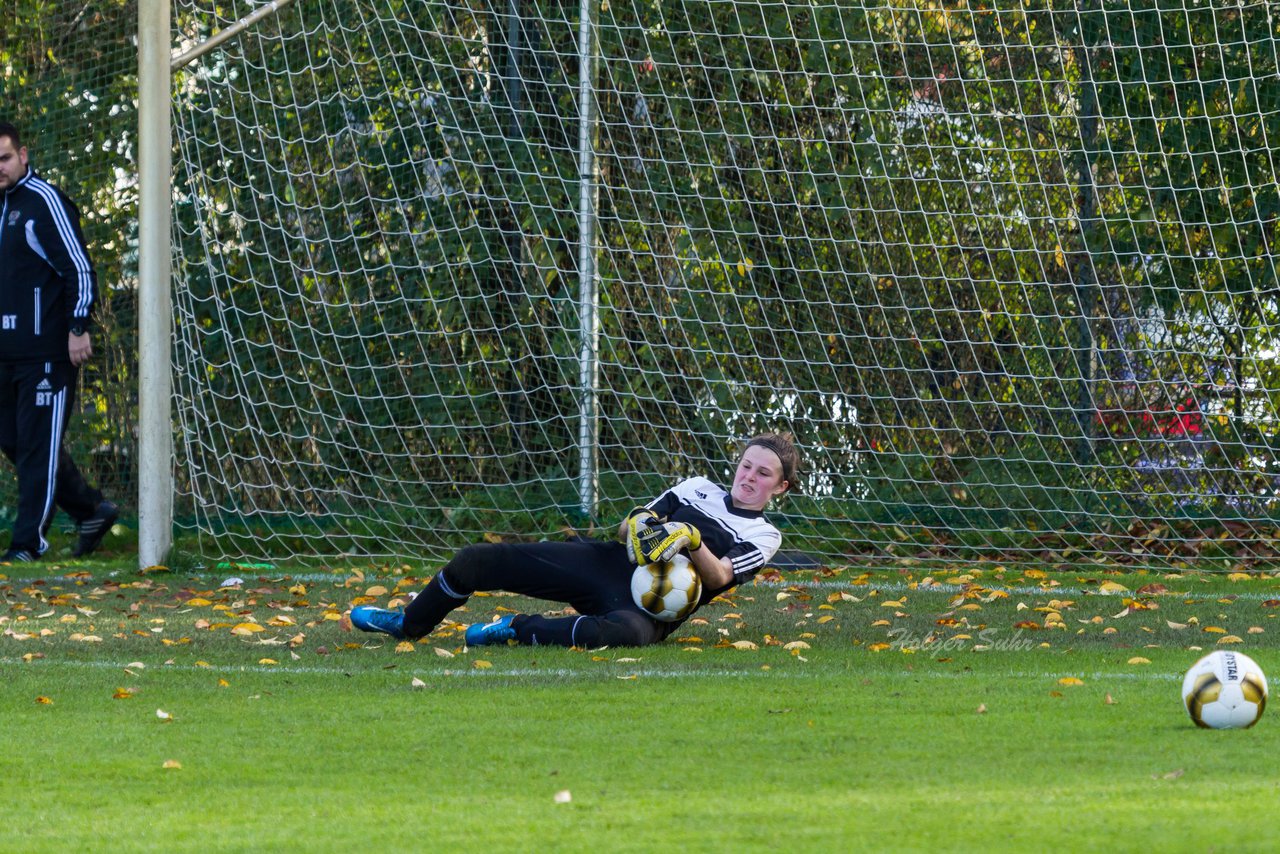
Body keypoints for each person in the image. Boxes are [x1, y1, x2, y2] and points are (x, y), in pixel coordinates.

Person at [350, 433, 801, 647]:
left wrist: (690, 538)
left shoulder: (763, 534)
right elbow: (627, 527)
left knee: (627, 636)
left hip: (652, 606)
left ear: (779, 487)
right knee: (475, 560)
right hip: (605, 564)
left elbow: (721, 575)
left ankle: (513, 629)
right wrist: (645, 527)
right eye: (746, 466)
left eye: (763, 474)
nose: (749, 477)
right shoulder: (697, 486)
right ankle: (408, 624)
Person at [0, 122, 117, 561]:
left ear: (23, 155)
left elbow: (79, 269)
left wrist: (77, 326)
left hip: (48, 353)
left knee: (36, 449)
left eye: (5, 158)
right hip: (6, 354)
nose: (0, 168)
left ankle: (26, 546)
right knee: (14, 442)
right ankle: (91, 509)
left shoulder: (43, 202)